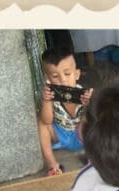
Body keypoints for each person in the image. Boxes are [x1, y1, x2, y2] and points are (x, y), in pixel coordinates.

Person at [38, 47, 93, 176]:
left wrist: (90, 104)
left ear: (77, 74)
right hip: (59, 136)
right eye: (55, 76)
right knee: (41, 122)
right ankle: (52, 164)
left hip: (81, 137)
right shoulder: (50, 95)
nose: (62, 80)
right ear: (47, 78)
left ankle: (92, 158)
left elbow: (92, 117)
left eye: (67, 74)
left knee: (90, 118)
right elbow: (47, 121)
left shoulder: (83, 94)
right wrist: (46, 101)